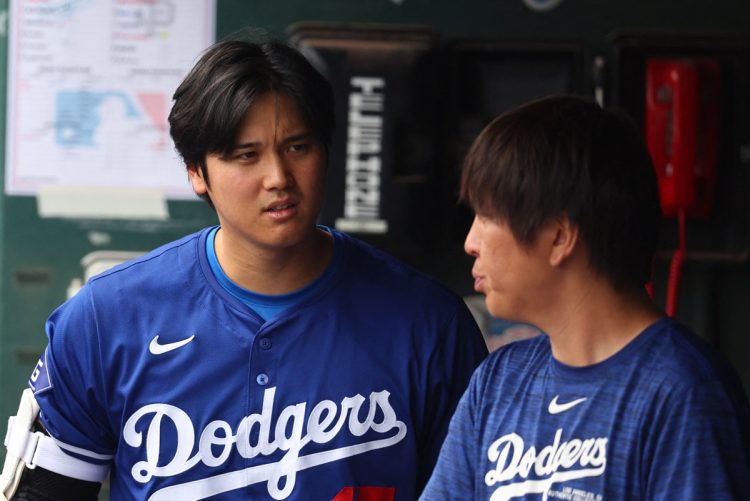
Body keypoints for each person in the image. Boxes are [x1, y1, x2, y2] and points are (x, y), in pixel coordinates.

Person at [0, 38, 487, 500]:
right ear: (196, 172)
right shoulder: (104, 320)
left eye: (298, 147)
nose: (278, 178)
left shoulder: (428, 324)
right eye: (245, 155)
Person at [420, 95, 750, 500]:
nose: (471, 242)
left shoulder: (683, 390)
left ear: (559, 237)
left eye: (488, 216)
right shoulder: (498, 380)